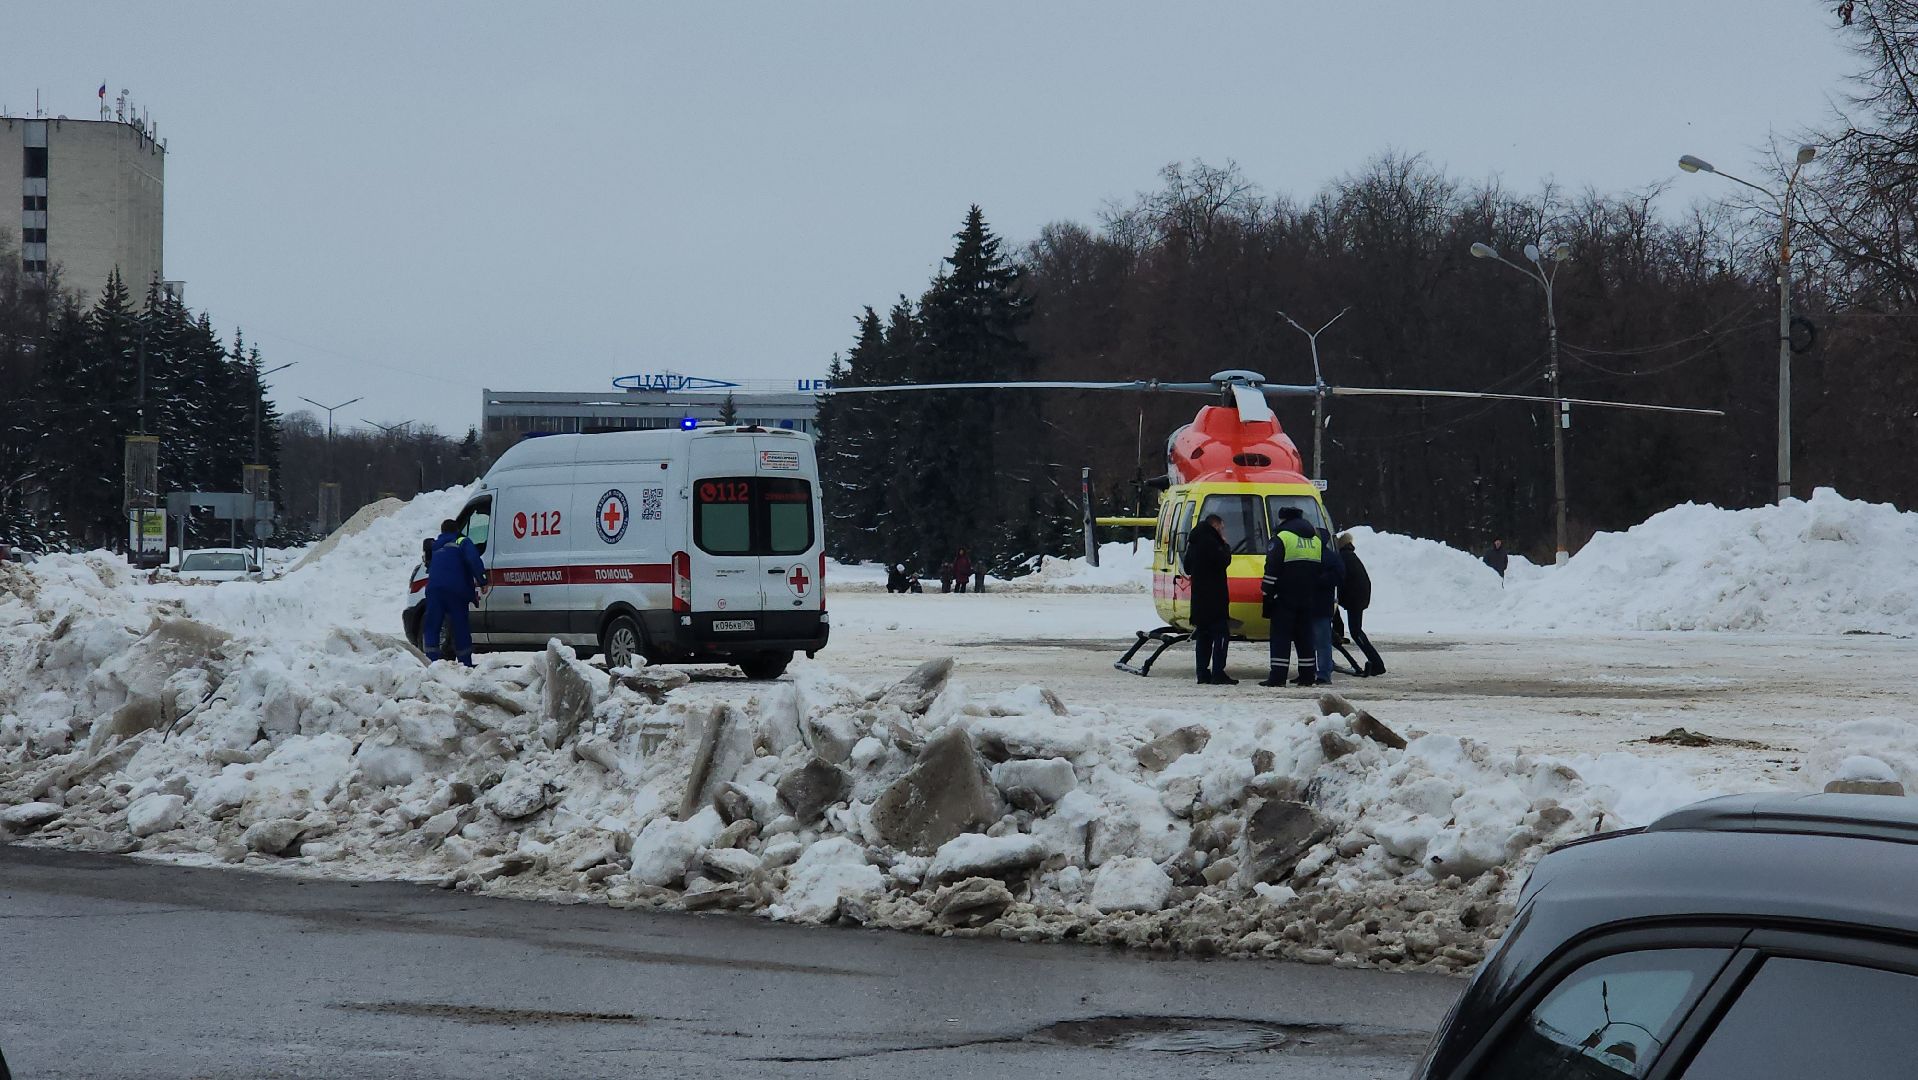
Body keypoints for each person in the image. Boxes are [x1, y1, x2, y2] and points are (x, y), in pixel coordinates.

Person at [1259, 505, 1322, 687]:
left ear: (1283, 519)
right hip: (1308, 597)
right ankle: (1307, 675)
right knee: (1305, 637)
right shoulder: (1315, 540)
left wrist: (1267, 590)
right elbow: (1319, 568)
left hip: (1284, 596)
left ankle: (1278, 677)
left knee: (1281, 636)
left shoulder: (1282, 537)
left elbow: (1272, 567)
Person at [421, 518, 487, 667]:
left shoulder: (435, 545)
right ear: (457, 530)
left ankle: (431, 663)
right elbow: (473, 559)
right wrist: (482, 580)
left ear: (442, 531)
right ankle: (465, 664)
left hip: (434, 591)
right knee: (460, 626)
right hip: (456, 590)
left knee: (432, 625)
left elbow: (430, 565)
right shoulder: (462, 541)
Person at [1183, 512, 1236, 685]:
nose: (1222, 531)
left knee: (1203, 636)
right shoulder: (1213, 542)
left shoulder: (1194, 541)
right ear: (1215, 526)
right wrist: (1226, 546)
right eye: (1221, 528)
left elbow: (1187, 567)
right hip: (1215, 598)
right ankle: (1218, 673)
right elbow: (1223, 561)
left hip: (1199, 598)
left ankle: (1202, 673)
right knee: (1221, 635)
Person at [1337, 532, 1385, 676]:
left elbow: (1342, 580)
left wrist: (1340, 598)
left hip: (1354, 598)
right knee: (1357, 631)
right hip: (1359, 597)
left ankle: (1377, 664)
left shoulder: (1343, 557)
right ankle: (1376, 663)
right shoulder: (1351, 556)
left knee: (1356, 632)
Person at [1311, 526, 1345, 684]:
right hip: (1322, 605)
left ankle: (1319, 673)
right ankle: (1320, 673)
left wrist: (1317, 581)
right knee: (1320, 642)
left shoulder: (1316, 556)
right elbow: (1339, 575)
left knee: (1316, 642)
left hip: (1315, 604)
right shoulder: (1332, 557)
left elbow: (1338, 575)